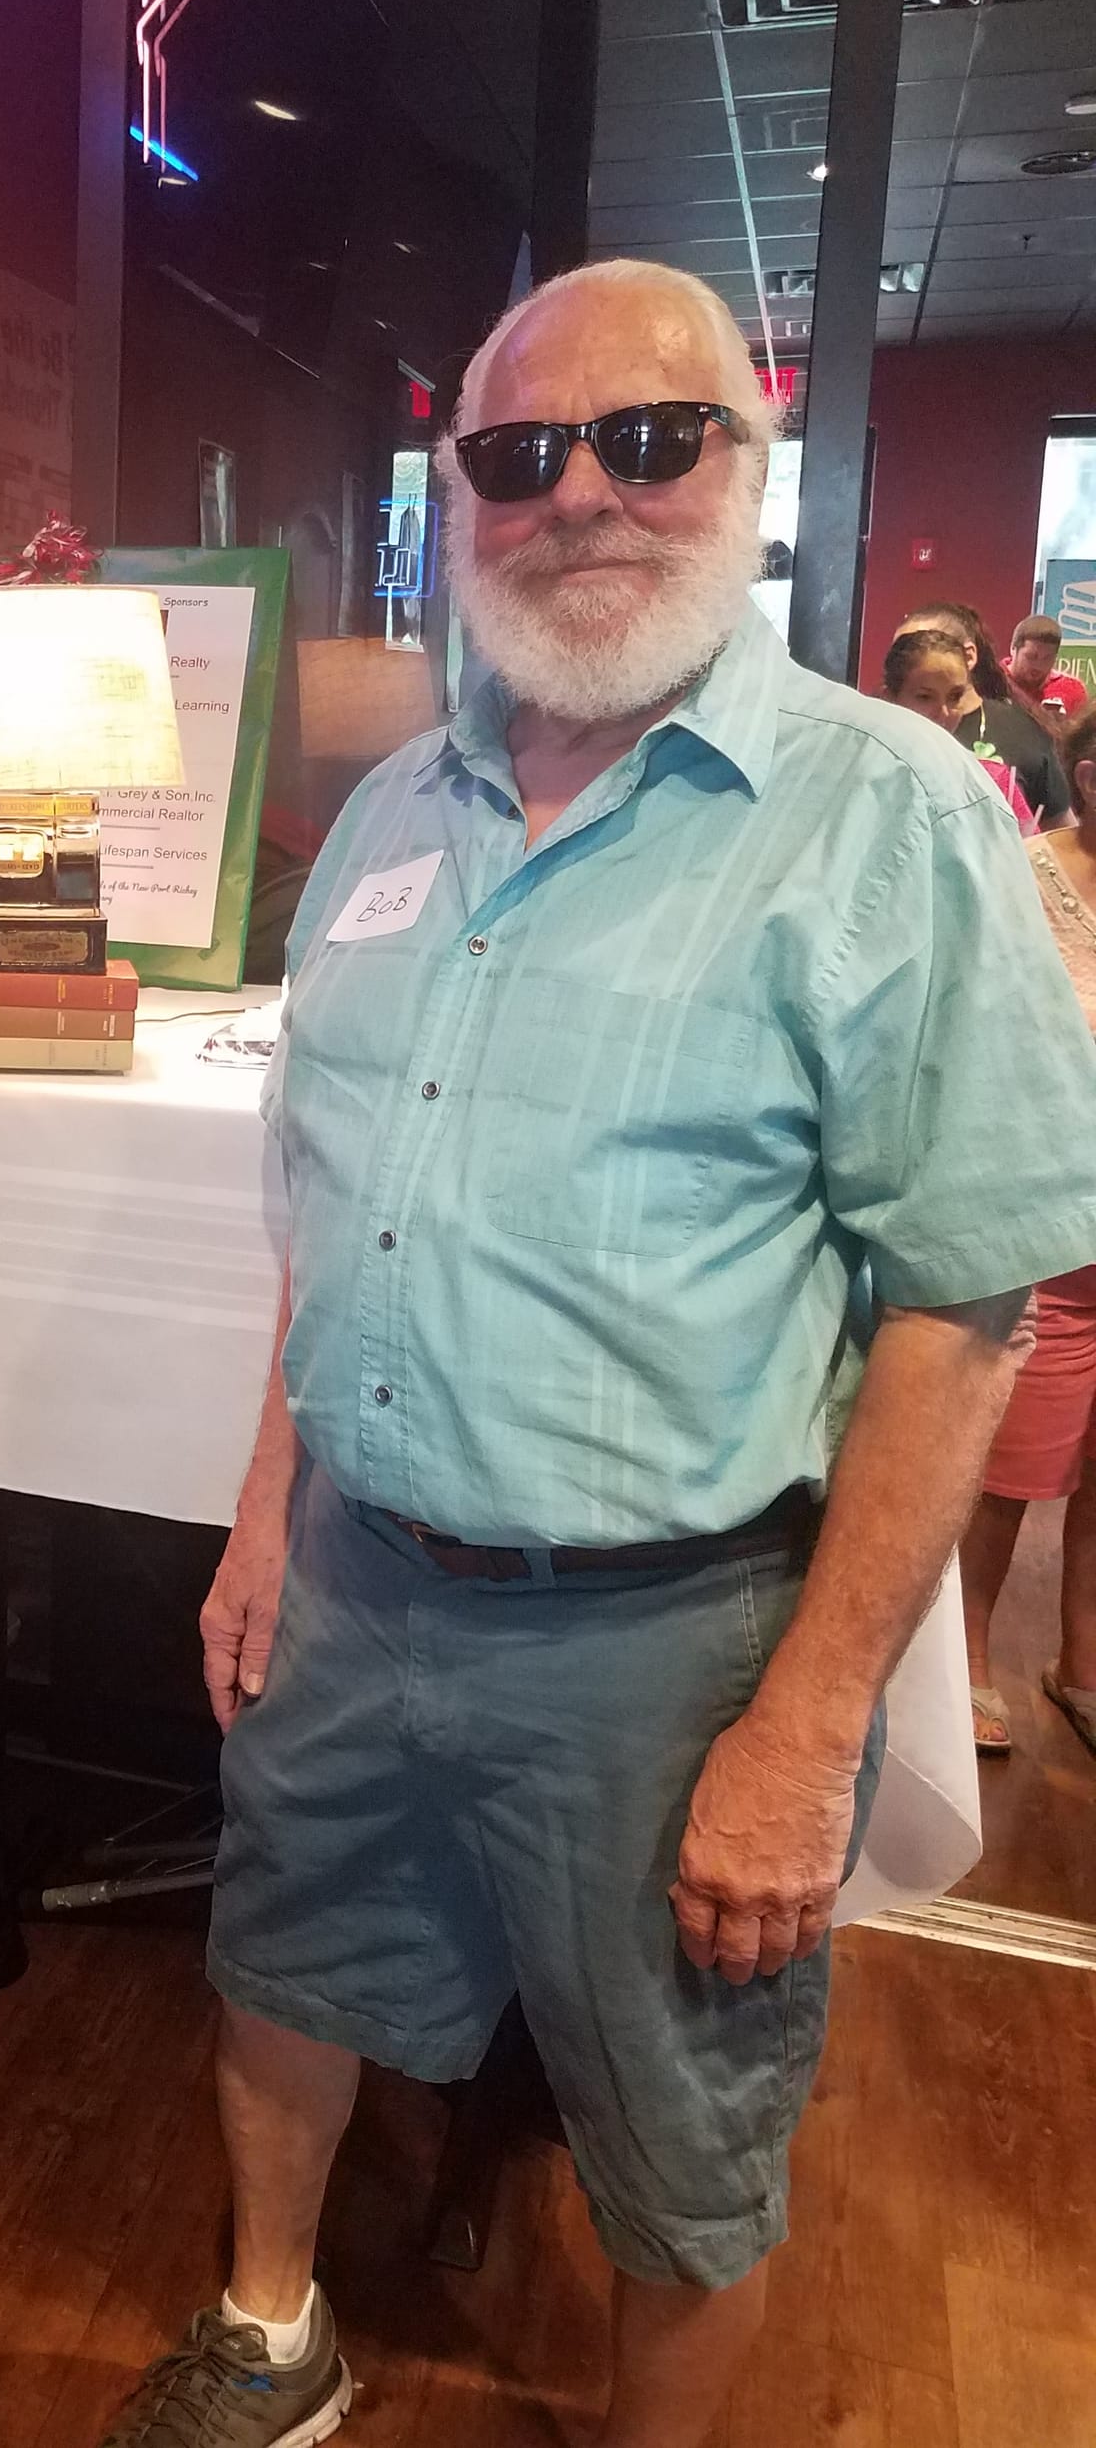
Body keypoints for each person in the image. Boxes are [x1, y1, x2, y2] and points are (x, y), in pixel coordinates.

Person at [96, 259, 1096, 2448]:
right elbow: (330, 1197)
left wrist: (810, 1723)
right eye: (518, 453)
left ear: (743, 467)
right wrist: (268, 1504)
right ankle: (272, 2330)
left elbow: (962, 1300)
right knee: (282, 1965)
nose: (582, 498)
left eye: (649, 441)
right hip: (357, 1581)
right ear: (457, 492)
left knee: (680, 2127)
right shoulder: (384, 815)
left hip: (671, 1638)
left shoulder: (884, 813)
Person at [959, 700, 1096, 1760]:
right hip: (1053, 1211)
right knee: (1010, 1462)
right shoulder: (1025, 870)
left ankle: (1080, 1663)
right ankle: (962, 1660)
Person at [895, 601, 1070, 824]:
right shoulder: (879, 730)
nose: (911, 663)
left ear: (969, 656)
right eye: (901, 655)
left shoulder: (1024, 733)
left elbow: (1059, 832)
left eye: (927, 647)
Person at [882, 625, 1035, 829]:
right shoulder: (863, 773)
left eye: (955, 697)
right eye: (925, 697)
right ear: (890, 699)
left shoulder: (990, 780)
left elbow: (1031, 853)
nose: (944, 712)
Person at [1007, 612, 1088, 725]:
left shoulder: (1072, 690)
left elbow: (1083, 739)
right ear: (1013, 649)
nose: (1038, 665)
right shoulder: (991, 680)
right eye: (1031, 656)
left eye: (1047, 658)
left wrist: (1064, 727)